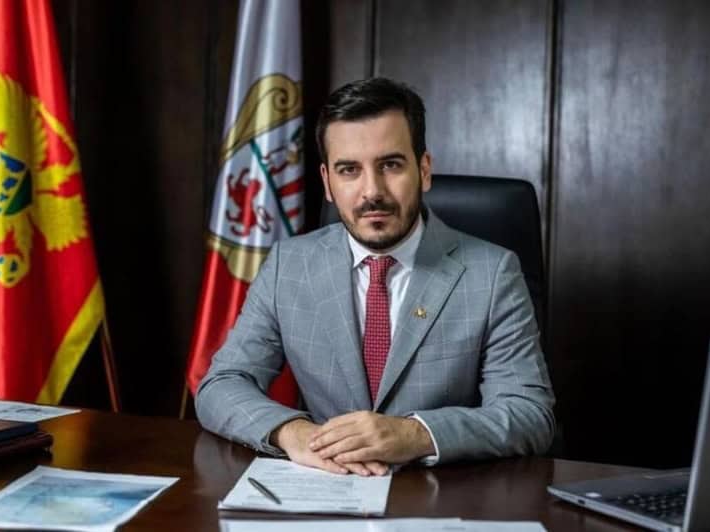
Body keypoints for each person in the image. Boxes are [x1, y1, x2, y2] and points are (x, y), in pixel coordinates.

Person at [196, 77, 554, 476]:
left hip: (439, 493)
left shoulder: (492, 273)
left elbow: (530, 414)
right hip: (327, 487)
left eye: (391, 165)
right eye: (349, 170)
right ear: (327, 183)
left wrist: (414, 434)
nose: (372, 191)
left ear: (424, 170)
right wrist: (295, 434)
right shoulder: (289, 266)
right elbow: (220, 385)